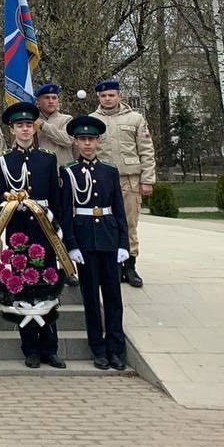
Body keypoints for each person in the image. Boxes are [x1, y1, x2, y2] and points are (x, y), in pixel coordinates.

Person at [0, 101, 65, 369]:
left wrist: (58, 234)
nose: (25, 130)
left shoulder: (47, 159)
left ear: (35, 128)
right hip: (19, 234)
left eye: (29, 125)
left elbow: (56, 200)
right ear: (12, 130)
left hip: (44, 233)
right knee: (23, 289)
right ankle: (30, 348)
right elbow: (1, 199)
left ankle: (50, 347)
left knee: (48, 288)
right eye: (19, 126)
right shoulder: (3, 160)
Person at [61, 115, 130, 371]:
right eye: (82, 139)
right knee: (90, 299)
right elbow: (67, 212)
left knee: (113, 298)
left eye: (91, 139)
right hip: (85, 240)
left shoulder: (110, 171)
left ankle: (116, 348)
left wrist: (124, 243)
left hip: (110, 240)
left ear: (98, 141)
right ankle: (98, 349)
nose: (87, 144)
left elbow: (120, 210)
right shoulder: (68, 172)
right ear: (76, 142)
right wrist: (72, 245)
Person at [91, 78, 156, 289]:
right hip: (102, 180)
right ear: (98, 98)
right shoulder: (92, 120)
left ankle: (130, 265)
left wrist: (147, 180)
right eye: (103, 96)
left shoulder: (135, 119)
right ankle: (113, 266)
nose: (107, 99)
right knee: (106, 223)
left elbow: (146, 150)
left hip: (129, 179)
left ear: (119, 96)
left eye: (111, 95)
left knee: (129, 223)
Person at [36, 83, 73, 162]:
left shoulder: (67, 119)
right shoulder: (32, 121)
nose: (51, 101)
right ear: (38, 101)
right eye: (47, 98)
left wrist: (43, 125)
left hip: (62, 169)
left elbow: (67, 140)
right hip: (41, 169)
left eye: (54, 98)